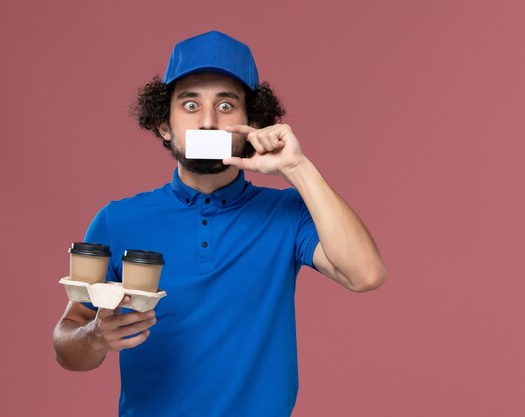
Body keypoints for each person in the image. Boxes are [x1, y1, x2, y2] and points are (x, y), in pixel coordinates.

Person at [53, 30, 386, 417]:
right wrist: (93, 337)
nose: (208, 122)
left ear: (254, 123)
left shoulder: (288, 213)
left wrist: (298, 168)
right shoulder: (117, 220)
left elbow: (366, 275)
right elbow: (68, 346)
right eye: (190, 104)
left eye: (226, 106)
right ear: (165, 125)